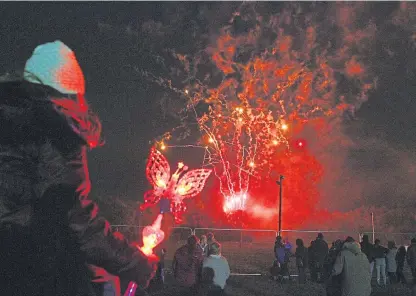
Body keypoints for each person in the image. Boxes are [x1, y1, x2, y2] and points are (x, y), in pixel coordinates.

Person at [0, 41, 157, 296]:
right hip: (32, 268)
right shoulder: (54, 129)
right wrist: (133, 262)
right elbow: (72, 216)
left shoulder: (9, 116)